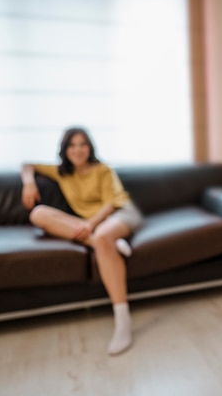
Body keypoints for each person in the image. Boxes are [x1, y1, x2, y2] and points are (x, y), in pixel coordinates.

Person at [21, 127, 143, 356]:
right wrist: (29, 182)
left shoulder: (103, 170)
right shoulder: (62, 172)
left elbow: (110, 204)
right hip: (90, 225)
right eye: (72, 145)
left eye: (82, 144)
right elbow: (28, 164)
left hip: (118, 213)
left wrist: (90, 224)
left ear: (90, 148)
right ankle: (102, 244)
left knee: (105, 235)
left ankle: (123, 321)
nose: (78, 150)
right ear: (65, 149)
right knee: (37, 213)